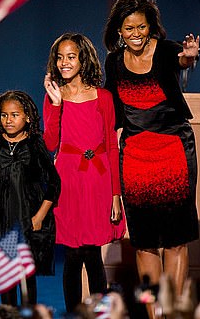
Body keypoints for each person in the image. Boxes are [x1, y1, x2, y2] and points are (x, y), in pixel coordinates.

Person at [102, 0, 200, 316]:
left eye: (141, 27)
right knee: (144, 241)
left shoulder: (167, 50)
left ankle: (173, 311)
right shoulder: (114, 62)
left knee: (174, 240)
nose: (136, 34)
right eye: (129, 28)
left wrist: (189, 57)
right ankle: (153, 313)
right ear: (119, 29)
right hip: (135, 159)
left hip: (174, 152)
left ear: (150, 27)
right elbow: (111, 107)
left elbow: (182, 61)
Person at [42, 32, 127, 314]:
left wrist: (116, 195)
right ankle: (73, 313)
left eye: (71, 56)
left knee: (92, 252)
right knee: (72, 253)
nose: (64, 62)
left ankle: (100, 313)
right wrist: (55, 105)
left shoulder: (103, 97)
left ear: (83, 59)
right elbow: (50, 143)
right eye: (60, 57)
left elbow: (112, 148)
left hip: (98, 179)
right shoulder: (55, 96)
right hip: (68, 179)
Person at [0, 90, 61, 307]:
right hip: (0, 218)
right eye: (4, 115)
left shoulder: (35, 144)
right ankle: (8, 312)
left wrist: (40, 216)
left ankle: (28, 313)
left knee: (26, 276)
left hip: (28, 219)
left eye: (15, 115)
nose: (9, 120)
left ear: (27, 117)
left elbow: (53, 183)